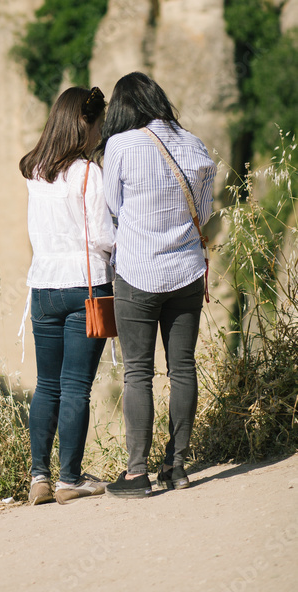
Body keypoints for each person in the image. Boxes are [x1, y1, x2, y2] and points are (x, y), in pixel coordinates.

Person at [100, 72, 216, 498]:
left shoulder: (121, 145)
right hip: (186, 271)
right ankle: (178, 466)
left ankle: (136, 474)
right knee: (183, 367)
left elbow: (112, 206)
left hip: (137, 272)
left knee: (138, 373)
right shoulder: (193, 144)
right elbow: (202, 211)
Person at [19, 86, 116, 505]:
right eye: (97, 125)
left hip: (42, 286)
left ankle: (39, 476)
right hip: (86, 285)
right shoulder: (90, 174)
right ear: (84, 123)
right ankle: (69, 478)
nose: (99, 134)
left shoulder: (36, 173)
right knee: (76, 386)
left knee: (46, 385)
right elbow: (105, 237)